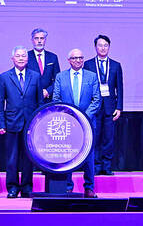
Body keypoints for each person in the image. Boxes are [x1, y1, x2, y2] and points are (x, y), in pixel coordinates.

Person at [53, 49, 101, 198]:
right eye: (74, 58)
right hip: (67, 123)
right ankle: (68, 186)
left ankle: (89, 187)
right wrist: (70, 116)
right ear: (68, 60)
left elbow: (96, 100)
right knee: (67, 154)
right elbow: (56, 99)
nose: (78, 60)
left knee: (88, 156)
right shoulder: (60, 77)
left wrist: (83, 116)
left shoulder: (91, 76)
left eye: (80, 57)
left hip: (87, 122)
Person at [0, 46, 42, 198]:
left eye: (23, 55)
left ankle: (27, 187)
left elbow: (40, 102)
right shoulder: (4, 77)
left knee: (29, 158)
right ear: (12, 59)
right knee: (12, 158)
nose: (21, 58)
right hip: (11, 123)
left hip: (31, 123)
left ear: (27, 58)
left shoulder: (35, 76)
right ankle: (13, 187)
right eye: (18, 56)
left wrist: (39, 123)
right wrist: (0, 124)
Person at [83, 35, 123, 176]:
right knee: (95, 137)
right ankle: (96, 166)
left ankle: (106, 166)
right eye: (100, 45)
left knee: (108, 138)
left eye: (105, 45)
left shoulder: (116, 65)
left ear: (109, 47)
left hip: (110, 107)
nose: (103, 48)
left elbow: (120, 87)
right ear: (95, 47)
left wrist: (119, 107)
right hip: (94, 107)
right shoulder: (88, 64)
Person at [27, 28, 60, 104]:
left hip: (48, 99)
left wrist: (48, 91)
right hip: (31, 99)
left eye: (42, 38)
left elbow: (57, 79)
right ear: (32, 40)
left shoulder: (53, 57)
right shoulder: (26, 56)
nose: (39, 41)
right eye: (36, 38)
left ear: (45, 40)